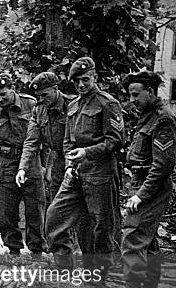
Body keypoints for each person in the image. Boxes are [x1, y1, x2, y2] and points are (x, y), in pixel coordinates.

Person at [106, 71, 176, 288]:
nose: (132, 99)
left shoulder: (163, 120)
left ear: (150, 91)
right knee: (148, 241)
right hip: (141, 182)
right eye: (130, 95)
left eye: (136, 94)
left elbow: (162, 165)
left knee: (133, 236)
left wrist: (141, 195)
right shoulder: (147, 116)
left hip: (151, 186)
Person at [45, 57, 124, 276]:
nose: (81, 85)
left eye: (85, 79)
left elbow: (115, 140)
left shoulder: (108, 104)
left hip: (101, 175)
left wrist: (87, 153)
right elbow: (68, 140)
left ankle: (99, 280)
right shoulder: (73, 105)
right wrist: (71, 163)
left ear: (95, 77)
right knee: (54, 218)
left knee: (101, 229)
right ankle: (64, 272)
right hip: (77, 174)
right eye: (77, 81)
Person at [0, 74, 46, 256]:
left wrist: (45, 166)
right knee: (7, 214)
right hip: (5, 165)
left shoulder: (31, 105)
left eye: (3, 94)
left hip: (31, 164)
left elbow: (45, 137)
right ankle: (13, 250)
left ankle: (37, 251)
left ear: (13, 89)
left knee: (35, 210)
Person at [17, 71, 75, 205]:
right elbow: (31, 141)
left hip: (77, 161)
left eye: (45, 95)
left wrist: (71, 165)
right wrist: (22, 168)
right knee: (56, 207)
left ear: (56, 89)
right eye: (38, 96)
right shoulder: (39, 110)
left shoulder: (73, 106)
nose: (42, 99)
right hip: (57, 162)